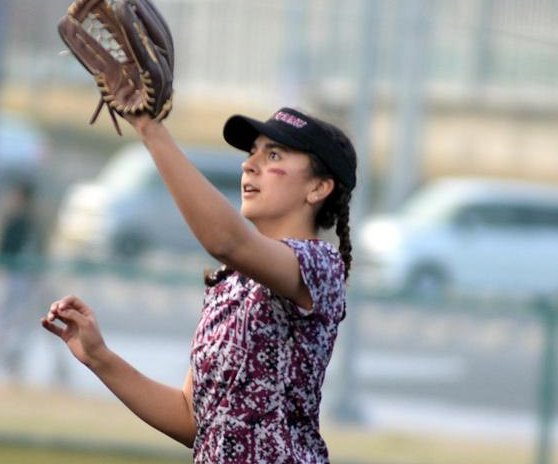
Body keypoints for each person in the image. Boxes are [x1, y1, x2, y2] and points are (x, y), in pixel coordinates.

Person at [42, 107, 356, 463]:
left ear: (318, 187)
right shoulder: (231, 279)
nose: (249, 165)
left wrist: (150, 130)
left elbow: (226, 240)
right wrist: (100, 358)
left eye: (273, 155)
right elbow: (193, 418)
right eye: (252, 152)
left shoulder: (320, 266)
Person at [0, 178, 42, 376]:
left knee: (19, 323)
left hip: (22, 280)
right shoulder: (15, 220)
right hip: (9, 277)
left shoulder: (30, 223)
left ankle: (13, 361)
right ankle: (2, 360)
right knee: (2, 320)